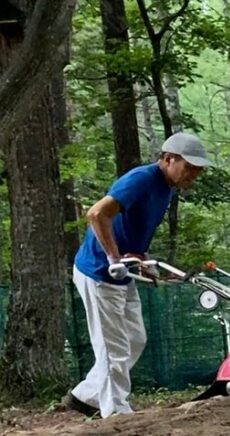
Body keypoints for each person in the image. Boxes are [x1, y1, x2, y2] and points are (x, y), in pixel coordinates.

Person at [61, 132, 212, 418]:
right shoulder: (142, 179)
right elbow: (96, 214)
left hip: (122, 272)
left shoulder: (165, 188)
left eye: (198, 169)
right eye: (190, 166)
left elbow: (129, 226)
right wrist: (113, 257)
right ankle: (115, 412)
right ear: (168, 159)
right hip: (98, 271)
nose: (195, 173)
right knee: (113, 347)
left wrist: (138, 258)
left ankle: (86, 396)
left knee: (135, 339)